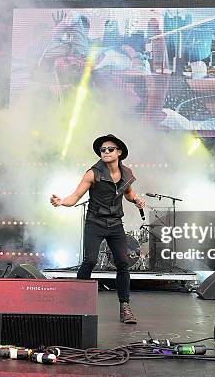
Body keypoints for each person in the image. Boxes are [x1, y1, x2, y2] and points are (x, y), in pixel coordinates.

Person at [50, 134, 145, 324]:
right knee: (90, 261)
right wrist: (61, 202)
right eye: (103, 150)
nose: (106, 152)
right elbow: (75, 196)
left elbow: (127, 192)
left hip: (115, 223)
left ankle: (125, 307)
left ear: (119, 152)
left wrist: (136, 199)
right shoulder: (93, 173)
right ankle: (76, 303)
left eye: (110, 149)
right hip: (95, 222)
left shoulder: (126, 172)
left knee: (123, 264)